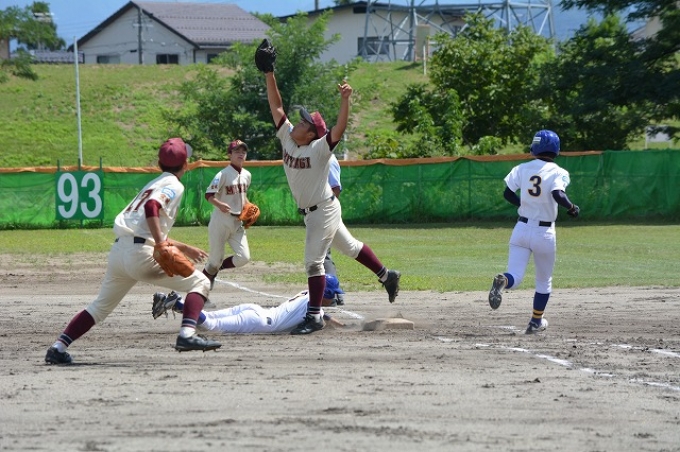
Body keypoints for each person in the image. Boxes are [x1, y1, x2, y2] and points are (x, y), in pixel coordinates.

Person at [44, 138, 222, 365]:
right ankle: (187, 335)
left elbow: (144, 227)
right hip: (140, 255)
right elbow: (151, 207)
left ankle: (58, 348)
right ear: (186, 164)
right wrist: (161, 243)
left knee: (99, 307)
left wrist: (183, 247)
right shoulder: (174, 185)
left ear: (159, 163)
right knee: (201, 283)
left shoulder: (153, 183)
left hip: (120, 252)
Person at [263, 68, 400, 335]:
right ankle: (387, 276)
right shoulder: (288, 137)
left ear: (311, 134)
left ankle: (314, 317)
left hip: (322, 210)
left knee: (313, 263)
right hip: (319, 209)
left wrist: (345, 100)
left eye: (304, 123)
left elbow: (338, 129)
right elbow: (276, 106)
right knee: (351, 247)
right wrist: (269, 73)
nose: (297, 123)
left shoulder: (319, 149)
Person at [488, 130, 580, 334]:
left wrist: (524, 204)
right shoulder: (559, 171)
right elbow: (558, 194)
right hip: (544, 233)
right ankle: (536, 321)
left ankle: (504, 281)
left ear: (534, 148)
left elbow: (507, 193)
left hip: (521, 228)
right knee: (543, 281)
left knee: (515, 275)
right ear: (556, 150)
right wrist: (572, 207)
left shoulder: (522, 168)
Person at [151, 274, 346, 334]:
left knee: (207, 319)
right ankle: (178, 303)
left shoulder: (308, 294)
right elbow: (324, 319)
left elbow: (326, 317)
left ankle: (176, 303)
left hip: (254, 310)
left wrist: (341, 325)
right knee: (210, 326)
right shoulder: (314, 306)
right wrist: (344, 328)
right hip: (259, 321)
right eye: (333, 294)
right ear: (326, 293)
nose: (334, 298)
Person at [202, 139, 253, 290]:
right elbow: (209, 194)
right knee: (214, 262)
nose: (241, 154)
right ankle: (199, 288)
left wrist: (249, 206)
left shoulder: (247, 175)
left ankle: (216, 269)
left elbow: (243, 196)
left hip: (237, 222)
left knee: (244, 257)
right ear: (229, 155)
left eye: (243, 151)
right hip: (221, 221)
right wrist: (219, 204)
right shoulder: (222, 174)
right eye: (237, 151)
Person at [323, 153, 345, 306]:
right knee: (323, 255)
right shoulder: (319, 155)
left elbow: (335, 188)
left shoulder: (328, 159)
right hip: (321, 213)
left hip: (326, 213)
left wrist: (324, 210)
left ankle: (332, 295)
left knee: (323, 255)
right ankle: (334, 295)